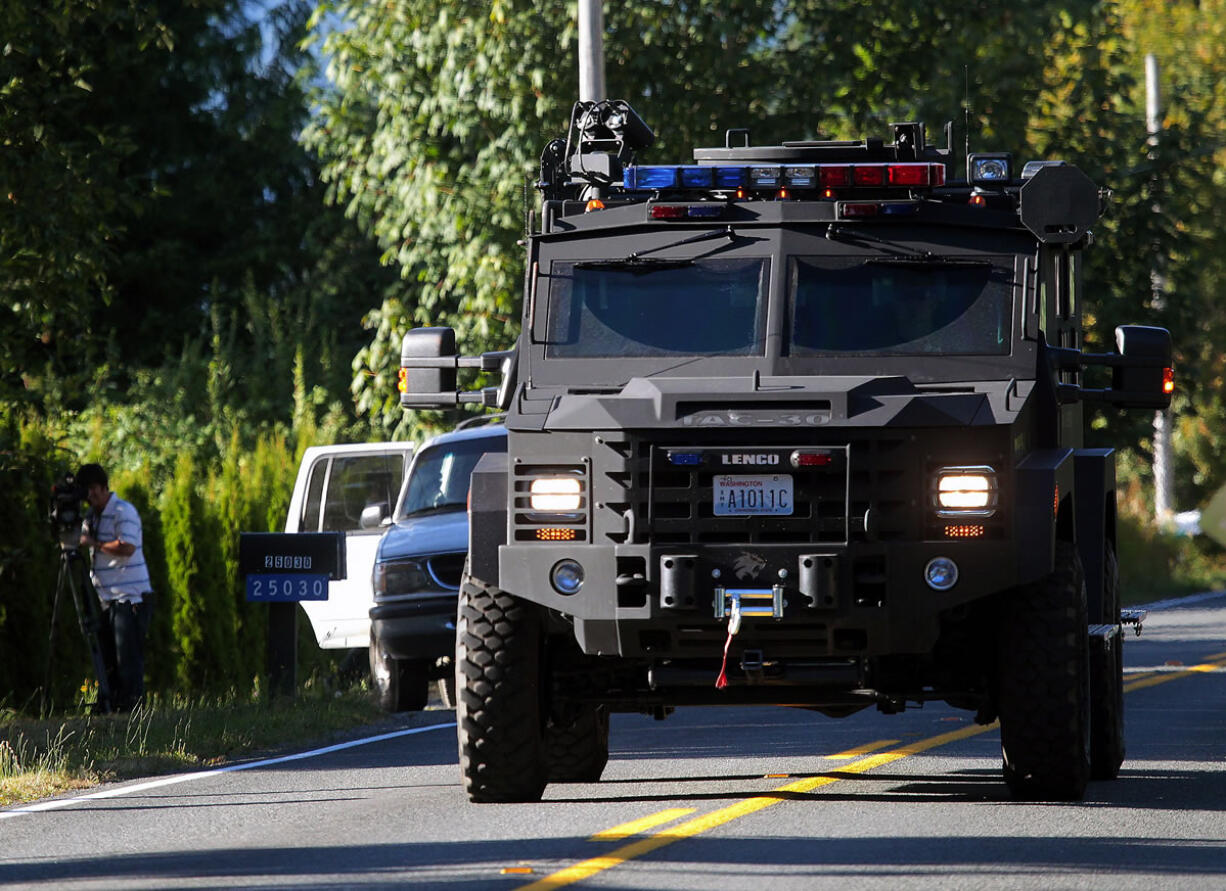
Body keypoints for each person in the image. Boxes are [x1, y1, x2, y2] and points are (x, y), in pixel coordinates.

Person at [76, 463, 153, 711]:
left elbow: (127, 547)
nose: (90, 497)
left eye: (92, 491)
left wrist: (94, 543)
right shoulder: (92, 516)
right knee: (108, 659)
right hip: (107, 599)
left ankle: (131, 711)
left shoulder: (123, 511)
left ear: (102, 487)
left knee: (127, 661)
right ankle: (111, 705)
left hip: (130, 599)